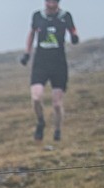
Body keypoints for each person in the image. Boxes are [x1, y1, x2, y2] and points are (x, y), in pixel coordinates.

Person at [20, 0, 79, 142]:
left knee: (57, 104)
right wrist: (27, 54)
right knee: (36, 97)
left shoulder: (65, 16)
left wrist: (74, 37)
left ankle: (57, 131)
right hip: (40, 63)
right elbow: (31, 33)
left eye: (53, 1)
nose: (50, 4)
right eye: (47, 1)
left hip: (58, 64)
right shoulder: (37, 16)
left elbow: (73, 31)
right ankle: (41, 122)